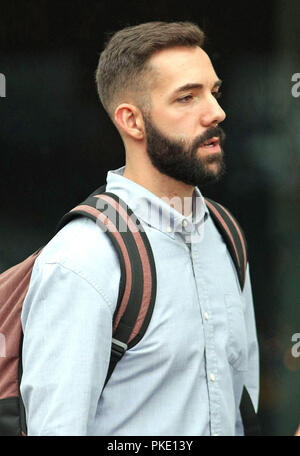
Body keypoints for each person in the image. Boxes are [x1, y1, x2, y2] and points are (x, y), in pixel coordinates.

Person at [20, 21, 259, 436]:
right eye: (187, 97)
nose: (216, 112)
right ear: (132, 121)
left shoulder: (225, 235)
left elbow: (238, 412)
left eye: (213, 92)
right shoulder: (82, 260)